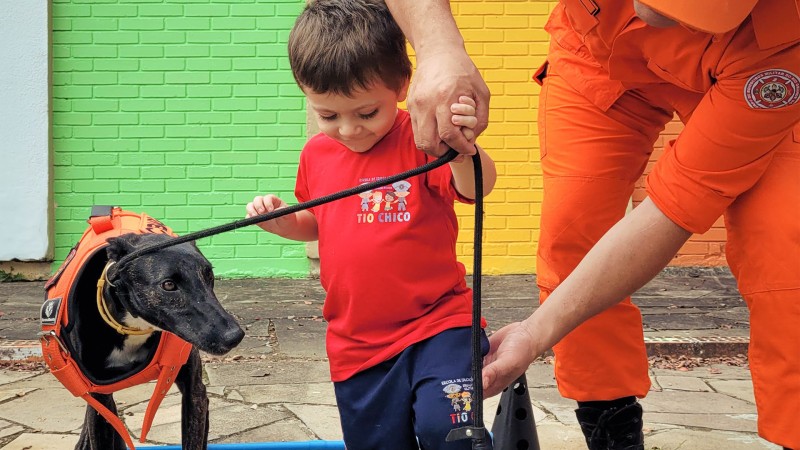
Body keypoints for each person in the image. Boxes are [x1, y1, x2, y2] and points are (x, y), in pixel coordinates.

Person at [385, 0, 800, 449]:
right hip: (598, 58)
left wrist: (537, 331)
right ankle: (612, 431)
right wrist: (436, 46)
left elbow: (672, 210)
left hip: (751, 67)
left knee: (784, 255)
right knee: (573, 234)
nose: (662, 18)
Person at [245, 1, 498, 449]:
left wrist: (462, 152)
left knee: (452, 433)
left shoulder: (422, 136)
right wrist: (281, 221)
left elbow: (477, 189)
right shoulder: (316, 155)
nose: (349, 130)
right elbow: (319, 222)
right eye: (328, 116)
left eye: (366, 113)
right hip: (357, 343)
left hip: (437, 324)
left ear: (404, 85)